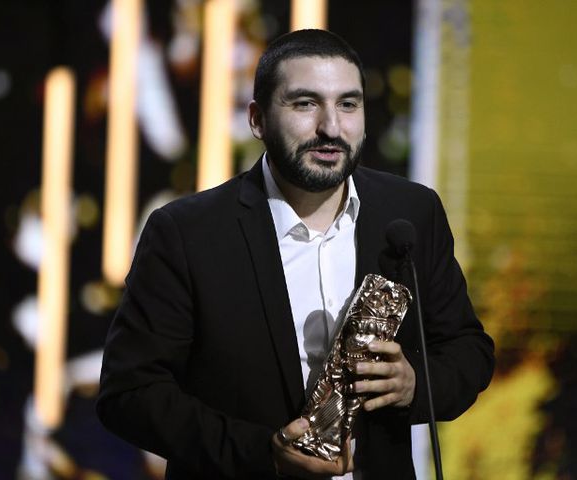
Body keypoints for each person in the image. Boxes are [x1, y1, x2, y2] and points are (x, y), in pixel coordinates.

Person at [97, 29, 495, 479]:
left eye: (348, 104)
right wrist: (262, 453)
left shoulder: (409, 213)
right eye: (305, 104)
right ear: (257, 119)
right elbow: (129, 394)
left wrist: (414, 385)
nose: (331, 127)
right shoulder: (187, 232)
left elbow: (469, 351)